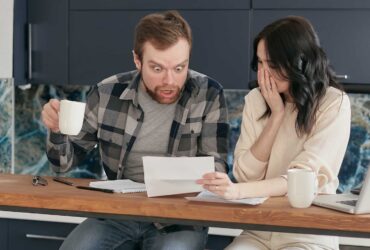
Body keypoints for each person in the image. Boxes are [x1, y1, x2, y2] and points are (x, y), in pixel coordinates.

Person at [42, 10, 229, 250]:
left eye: (180, 68)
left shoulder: (209, 93)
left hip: (180, 217)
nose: (170, 81)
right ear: (137, 60)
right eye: (157, 69)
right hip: (119, 213)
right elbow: (62, 164)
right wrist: (57, 131)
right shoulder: (107, 93)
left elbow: (217, 168)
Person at [197, 16, 351, 249]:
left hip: (307, 232)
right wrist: (276, 115)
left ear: (299, 62)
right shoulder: (256, 100)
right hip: (259, 230)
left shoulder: (333, 103)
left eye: (273, 64)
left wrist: (236, 191)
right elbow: (246, 175)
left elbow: (302, 179)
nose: (264, 72)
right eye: (260, 63)